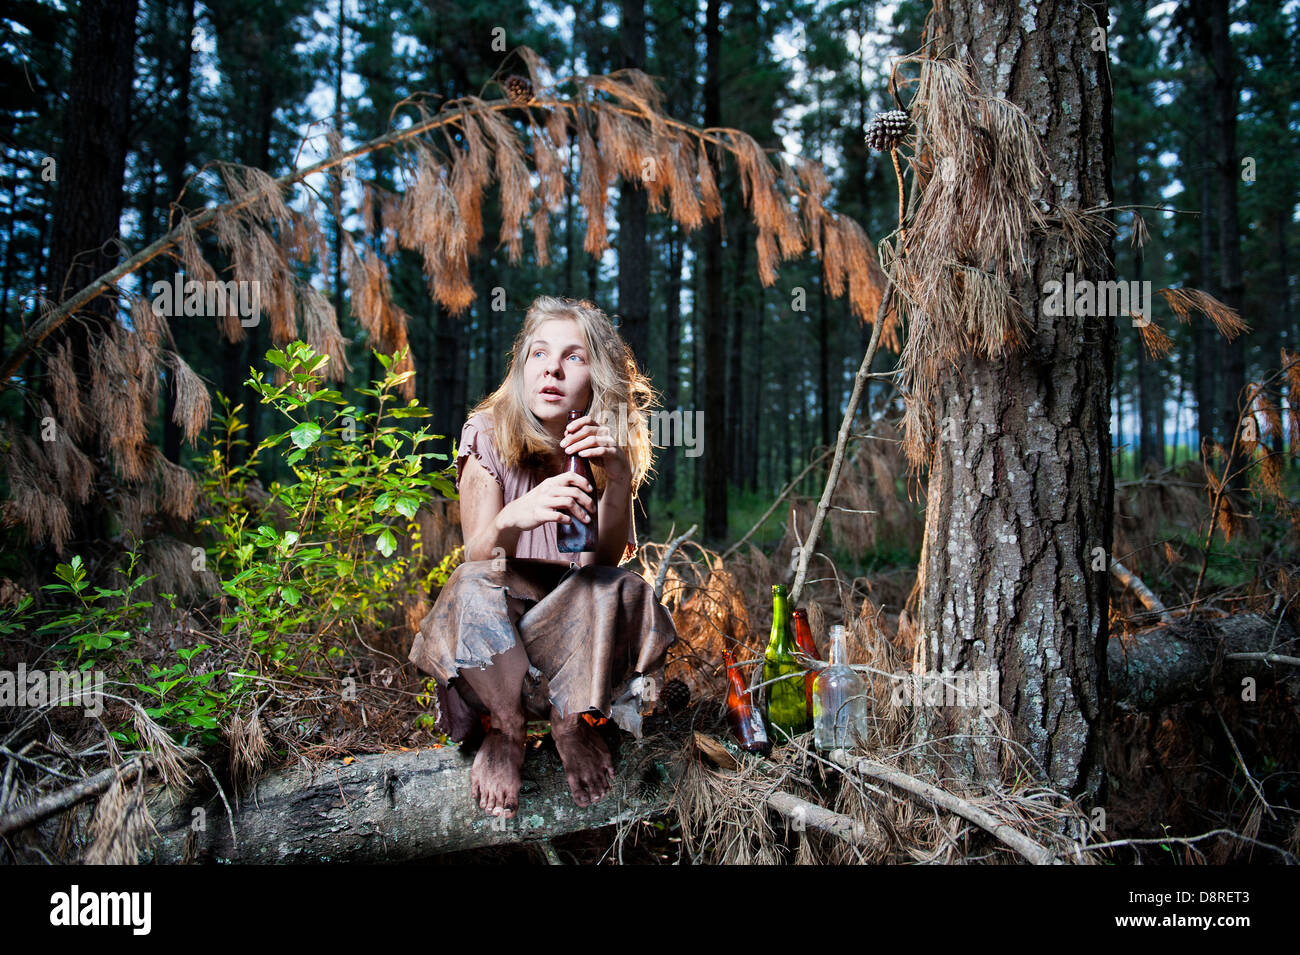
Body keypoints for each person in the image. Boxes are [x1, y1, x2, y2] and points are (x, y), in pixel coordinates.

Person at [409, 296, 679, 818]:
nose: (551, 368)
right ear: (522, 367)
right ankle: (507, 732)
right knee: (470, 581)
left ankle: (569, 725)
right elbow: (478, 558)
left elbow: (602, 560)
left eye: (573, 357)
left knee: (619, 585)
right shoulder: (487, 432)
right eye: (538, 353)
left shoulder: (603, 446)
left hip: (571, 659)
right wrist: (518, 515)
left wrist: (619, 480)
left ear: (597, 379)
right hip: (496, 663)